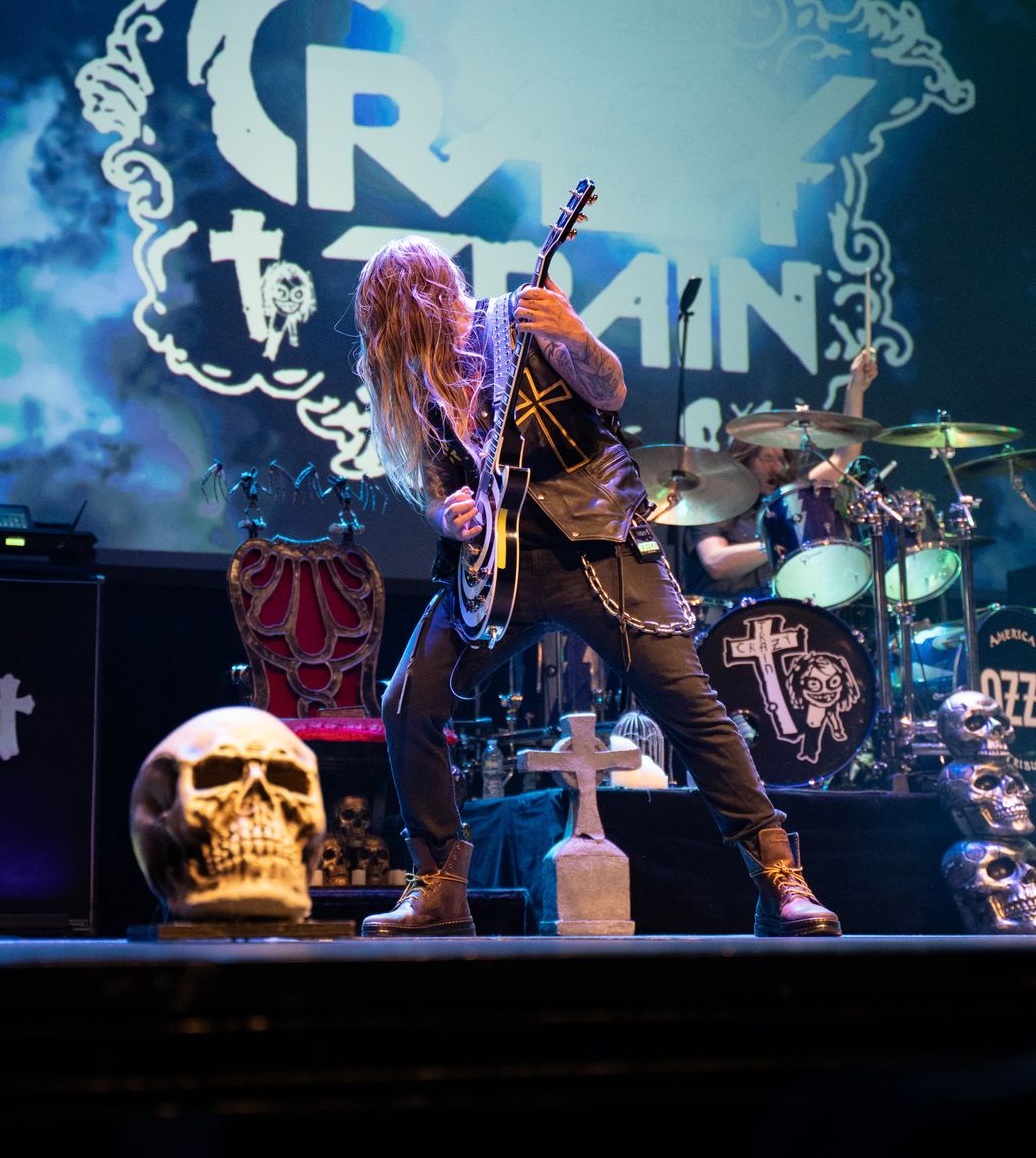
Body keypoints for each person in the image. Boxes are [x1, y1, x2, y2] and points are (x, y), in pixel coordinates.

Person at [353, 236, 843, 938]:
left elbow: (609, 392)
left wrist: (578, 337)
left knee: (690, 708)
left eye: (404, 321)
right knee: (407, 701)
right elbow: (438, 485)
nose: (403, 343)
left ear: (427, 297)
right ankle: (438, 888)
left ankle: (779, 879)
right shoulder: (422, 379)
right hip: (497, 571)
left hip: (599, 547)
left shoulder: (519, 320)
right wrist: (446, 514)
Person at [684, 351, 879, 603]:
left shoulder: (789, 496)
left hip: (783, 609)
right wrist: (779, 541)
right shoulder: (712, 501)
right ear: (744, 461)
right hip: (728, 615)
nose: (777, 467)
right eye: (767, 458)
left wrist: (855, 388)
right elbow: (716, 562)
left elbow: (844, 458)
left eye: (781, 458)